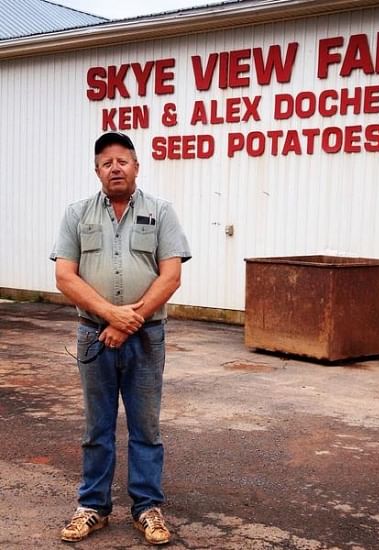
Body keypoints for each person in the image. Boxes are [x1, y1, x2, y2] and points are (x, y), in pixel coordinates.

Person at [50, 132, 191, 545]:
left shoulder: (161, 212)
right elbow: (64, 275)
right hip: (93, 335)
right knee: (98, 427)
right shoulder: (77, 214)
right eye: (107, 162)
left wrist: (129, 320)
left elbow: (171, 275)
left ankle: (147, 508)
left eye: (123, 161)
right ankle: (92, 507)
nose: (115, 167)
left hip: (147, 337)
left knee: (146, 427)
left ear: (136, 167)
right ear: (97, 171)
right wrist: (110, 315)